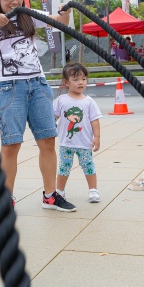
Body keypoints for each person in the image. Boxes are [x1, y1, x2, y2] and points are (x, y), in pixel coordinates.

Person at [0, 0, 74, 211]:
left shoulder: (28, 15)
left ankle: (50, 195)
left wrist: (64, 12)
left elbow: (59, 22)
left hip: (37, 83)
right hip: (9, 87)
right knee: (11, 145)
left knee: (47, 141)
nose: (14, 1)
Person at [53, 62, 102, 205]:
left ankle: (93, 189)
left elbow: (94, 120)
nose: (80, 82)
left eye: (83, 79)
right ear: (66, 82)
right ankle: (60, 191)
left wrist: (96, 137)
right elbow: (53, 117)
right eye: (75, 80)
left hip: (84, 142)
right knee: (63, 168)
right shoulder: (61, 100)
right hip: (65, 143)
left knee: (88, 166)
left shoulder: (89, 102)